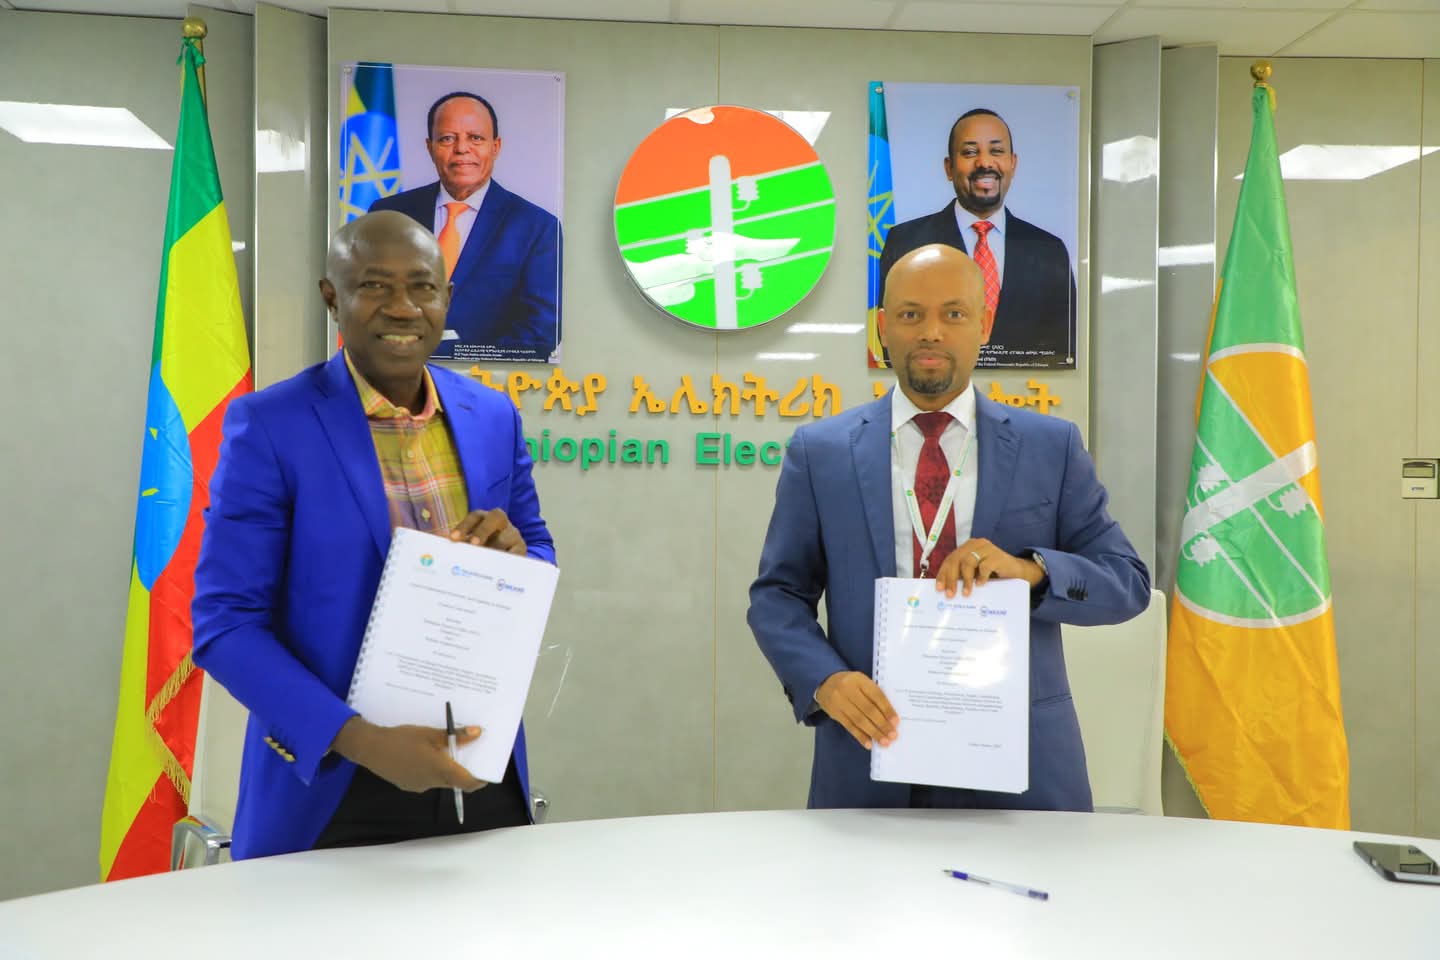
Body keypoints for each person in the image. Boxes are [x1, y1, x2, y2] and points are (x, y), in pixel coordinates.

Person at [192, 211, 555, 859]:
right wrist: (361, 740)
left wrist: (518, 556)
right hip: (334, 786)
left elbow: (538, 551)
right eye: (374, 286)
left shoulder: (491, 415)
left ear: (447, 298)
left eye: (422, 287)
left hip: (481, 770)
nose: (403, 308)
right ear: (332, 297)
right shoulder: (272, 426)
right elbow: (226, 626)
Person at [748, 243, 1148, 813]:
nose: (931, 331)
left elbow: (1126, 582)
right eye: (910, 314)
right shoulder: (822, 452)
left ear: (984, 324)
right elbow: (777, 596)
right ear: (883, 328)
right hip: (868, 761)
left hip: (1022, 772)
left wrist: (1031, 572)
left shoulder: (1050, 447)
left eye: (953, 313)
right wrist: (824, 681)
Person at [371, 91, 561, 363]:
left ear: (495, 146)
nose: (461, 149)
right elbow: (369, 301)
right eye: (447, 138)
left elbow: (541, 331)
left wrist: (451, 357)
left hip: (487, 382)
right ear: (430, 147)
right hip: (394, 374)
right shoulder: (389, 216)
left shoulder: (538, 228)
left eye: (476, 138)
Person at [877, 108, 1075, 366]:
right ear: (949, 168)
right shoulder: (906, 243)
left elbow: (1063, 349)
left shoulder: (1049, 251)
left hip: (1028, 389)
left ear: (1013, 164)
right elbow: (893, 342)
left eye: (996, 151)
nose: (984, 163)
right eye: (970, 152)